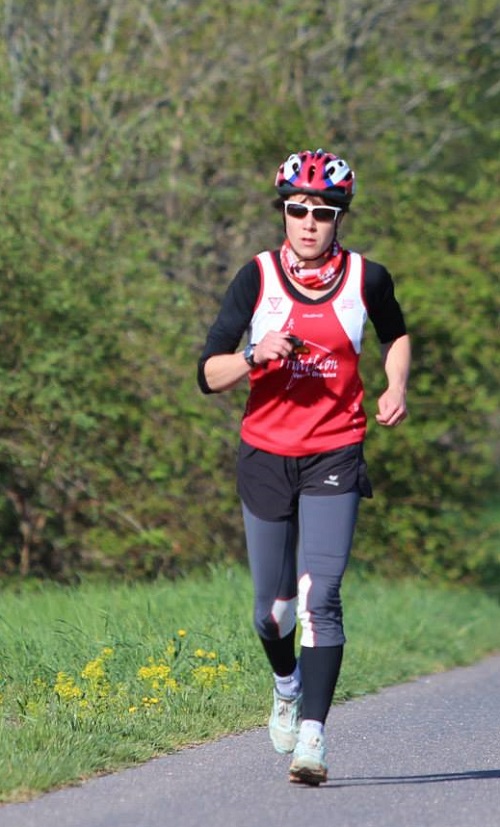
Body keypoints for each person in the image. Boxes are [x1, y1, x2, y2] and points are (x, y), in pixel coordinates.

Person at [197, 148, 410, 785]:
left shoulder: (367, 278)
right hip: (266, 455)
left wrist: (396, 385)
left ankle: (312, 738)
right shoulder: (256, 277)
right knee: (273, 612)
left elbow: (395, 334)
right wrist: (254, 356)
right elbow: (208, 373)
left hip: (334, 451)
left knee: (322, 596)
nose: (309, 223)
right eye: (298, 211)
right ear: (284, 213)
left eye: (323, 213)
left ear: (339, 217)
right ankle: (285, 684)